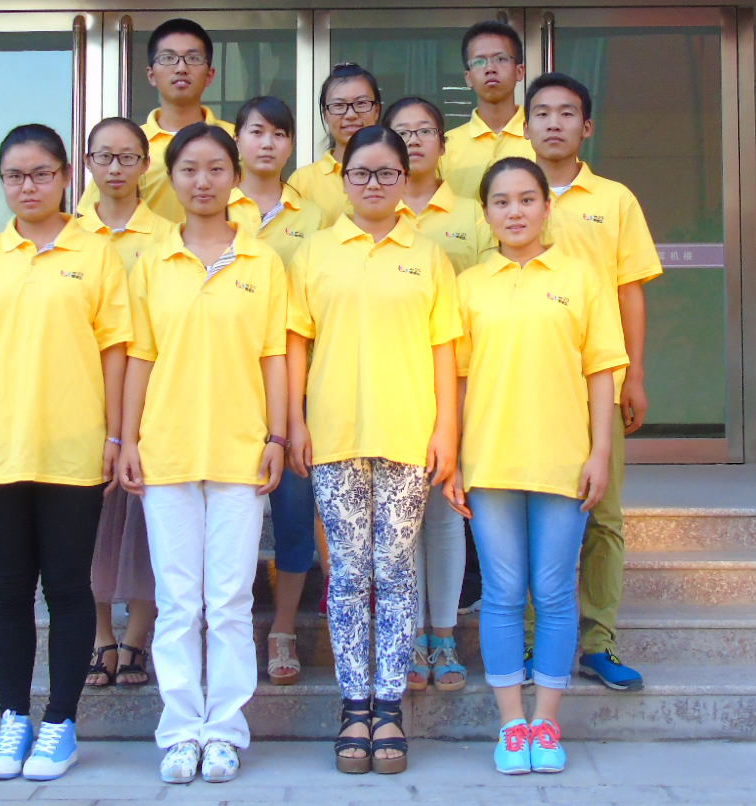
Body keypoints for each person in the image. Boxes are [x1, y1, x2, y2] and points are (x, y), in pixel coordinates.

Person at [0, 124, 132, 782]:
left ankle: (60, 723)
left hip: (72, 451)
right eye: (15, 175)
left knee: (69, 589)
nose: (29, 186)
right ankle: (12, 717)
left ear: (66, 176)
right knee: (8, 590)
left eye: (42, 173)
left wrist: (114, 437)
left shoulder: (97, 254)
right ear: (3, 183)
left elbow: (116, 352)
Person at [117, 122, 288, 785]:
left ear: (236, 177)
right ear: (172, 178)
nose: (203, 181)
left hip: (240, 451)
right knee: (178, 602)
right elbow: (139, 357)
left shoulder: (262, 263)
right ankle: (180, 730)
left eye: (217, 168)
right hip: (166, 451)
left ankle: (224, 731)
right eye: (188, 169)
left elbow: (274, 356)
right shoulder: (153, 262)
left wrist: (276, 437)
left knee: (231, 600)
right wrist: (127, 439)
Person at [445, 157, 627, 775]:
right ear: (486, 213)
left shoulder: (582, 278)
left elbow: (601, 370)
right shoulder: (469, 286)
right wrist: (455, 459)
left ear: (548, 208)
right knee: (501, 594)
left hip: (563, 461)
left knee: (552, 592)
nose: (515, 211)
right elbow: (458, 380)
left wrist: (599, 453)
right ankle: (510, 725)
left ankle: (546, 722)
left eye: (527, 199)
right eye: (501, 201)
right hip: (490, 461)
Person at [287, 125, 460, 775]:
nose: (374, 183)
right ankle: (352, 705)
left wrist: (446, 432)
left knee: (395, 573)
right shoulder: (315, 253)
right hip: (333, 436)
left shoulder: (430, 255)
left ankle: (389, 705)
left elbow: (445, 350)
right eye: (361, 172)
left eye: (387, 172)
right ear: (342, 178)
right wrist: (294, 422)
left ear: (404, 178)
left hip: (407, 434)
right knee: (348, 575)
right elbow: (295, 344)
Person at [522, 72, 663, 692]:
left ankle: (598, 641)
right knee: (531, 510)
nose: (553, 122)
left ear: (587, 126)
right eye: (542, 112)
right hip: (524, 382)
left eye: (566, 113)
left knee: (602, 515)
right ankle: (531, 640)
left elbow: (630, 291)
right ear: (526, 125)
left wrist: (635, 374)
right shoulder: (508, 191)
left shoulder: (615, 199)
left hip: (597, 381)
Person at [380, 96, 494, 694]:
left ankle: (443, 634)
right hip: (391, 384)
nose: (414, 140)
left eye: (425, 130)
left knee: (446, 515)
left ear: (443, 145)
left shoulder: (472, 216)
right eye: (402, 132)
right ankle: (409, 638)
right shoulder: (374, 212)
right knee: (402, 522)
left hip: (458, 377)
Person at [77, 117, 177, 689]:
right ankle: (100, 637)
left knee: (144, 521)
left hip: (151, 392)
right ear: (88, 163)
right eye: (104, 157)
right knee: (88, 522)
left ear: (145, 165)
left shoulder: (166, 236)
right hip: (82, 393)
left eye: (127, 158)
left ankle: (137, 636)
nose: (115, 169)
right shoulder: (69, 233)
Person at [230, 95, 324, 686]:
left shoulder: (313, 217)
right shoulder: (215, 205)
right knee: (226, 515)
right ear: (237, 139)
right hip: (221, 384)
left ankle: (283, 628)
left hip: (292, 382)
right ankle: (227, 625)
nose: (267, 143)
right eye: (256, 132)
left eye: (280, 134)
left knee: (293, 509)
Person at [77, 18, 235, 223]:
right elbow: (92, 223)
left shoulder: (238, 140)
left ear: (210, 75)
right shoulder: (128, 146)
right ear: (151, 75)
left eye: (193, 58)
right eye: (168, 58)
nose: (181, 68)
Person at [442, 20, 536, 201]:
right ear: (468, 78)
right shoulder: (446, 146)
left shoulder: (542, 137)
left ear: (519, 71)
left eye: (500, 59)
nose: (490, 69)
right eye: (479, 61)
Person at [289, 63, 382, 228]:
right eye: (339, 105)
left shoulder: (395, 175)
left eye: (361, 103)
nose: (351, 114)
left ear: (377, 110)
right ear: (325, 114)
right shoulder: (302, 181)